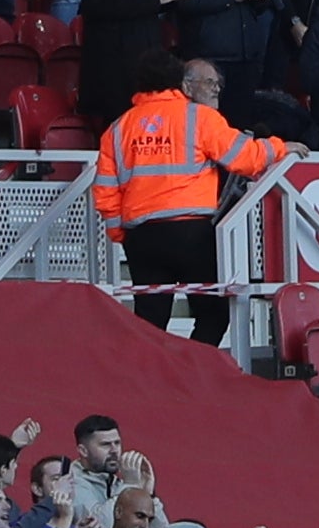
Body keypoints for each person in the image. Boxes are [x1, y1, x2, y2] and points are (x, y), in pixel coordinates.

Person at [88, 58, 279, 338]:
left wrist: (120, 233)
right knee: (213, 316)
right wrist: (279, 146)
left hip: (141, 237)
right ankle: (189, 373)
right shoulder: (199, 117)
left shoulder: (118, 128)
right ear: (182, 85)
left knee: (149, 324)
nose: (215, 89)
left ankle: (152, 379)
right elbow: (247, 159)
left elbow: (105, 189)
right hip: (192, 234)